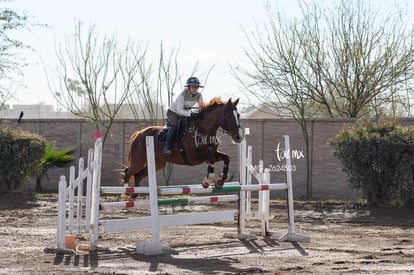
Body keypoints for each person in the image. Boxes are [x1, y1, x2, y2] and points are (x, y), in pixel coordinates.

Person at [163, 76, 204, 155]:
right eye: (192, 86)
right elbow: (179, 110)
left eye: (196, 87)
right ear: (188, 87)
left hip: (185, 113)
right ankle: (167, 147)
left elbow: (201, 108)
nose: (194, 89)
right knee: (175, 125)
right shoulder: (182, 95)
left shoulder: (199, 96)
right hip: (173, 112)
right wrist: (191, 113)